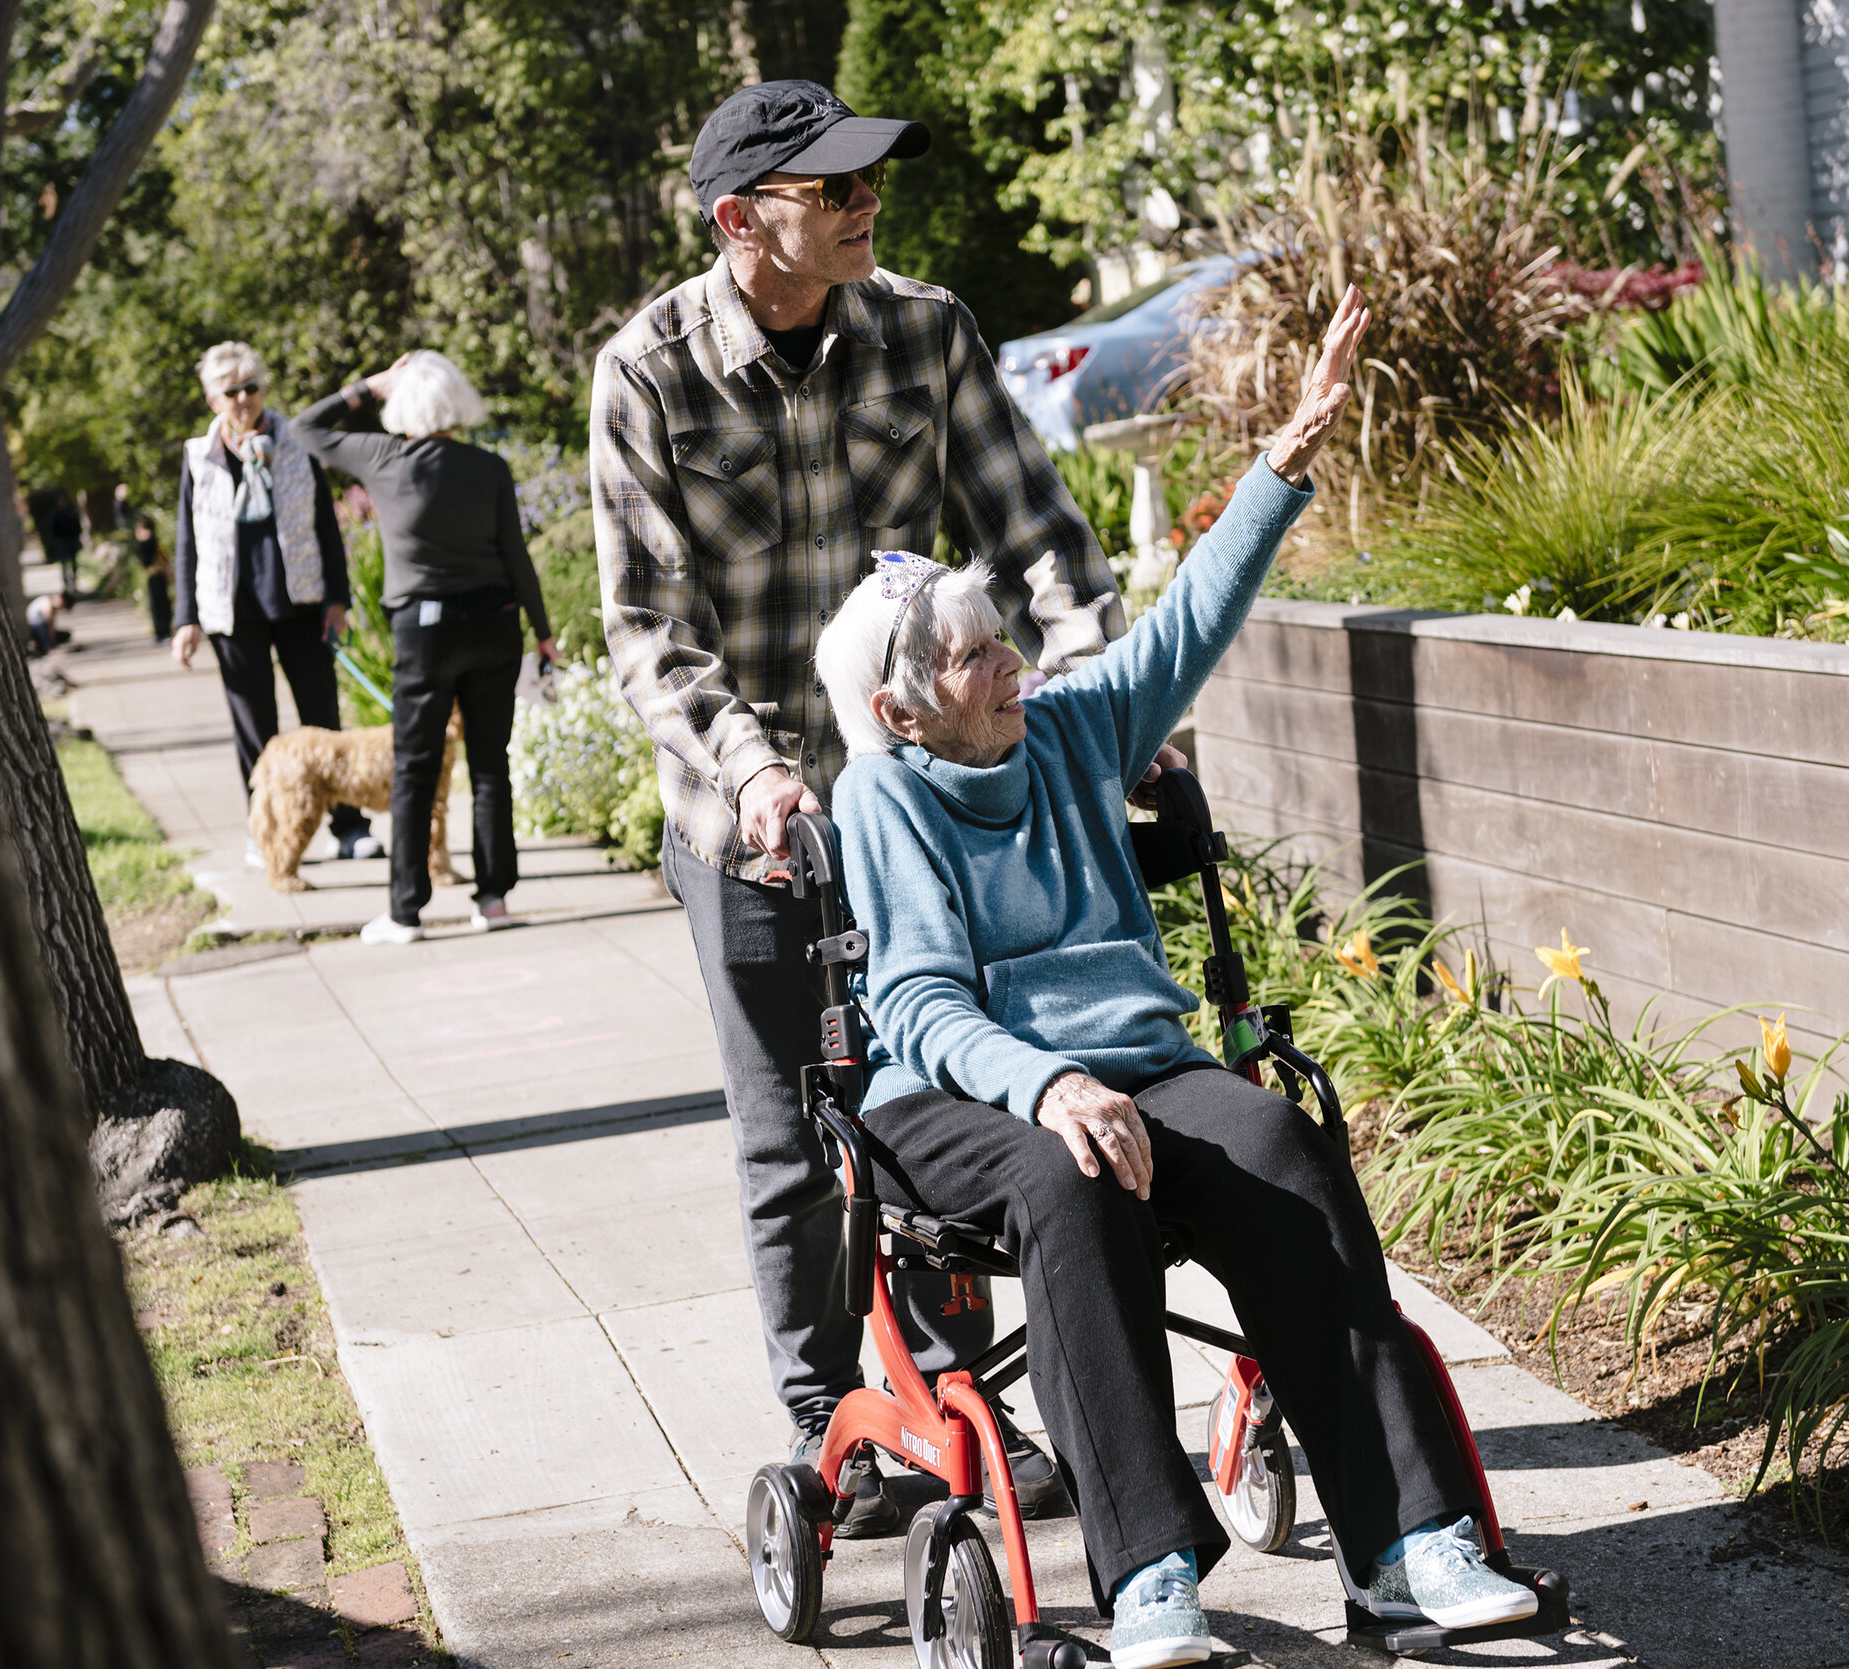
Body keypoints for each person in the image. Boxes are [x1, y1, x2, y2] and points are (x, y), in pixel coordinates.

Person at [811, 291, 1540, 1668]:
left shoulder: (1074, 733)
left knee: (1276, 1139)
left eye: (1001, 636)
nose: (1009, 661)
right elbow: (915, 1004)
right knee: (1066, 1179)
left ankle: (1404, 1548)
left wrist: (1287, 456)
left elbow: (1188, 622)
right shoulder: (884, 797)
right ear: (904, 707)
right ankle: (1149, 1568)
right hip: (958, 1095)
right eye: (973, 655)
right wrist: (1054, 1084)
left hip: (1137, 1065)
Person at [590, 77, 1135, 1535]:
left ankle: (958, 1395)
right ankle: (833, 1416)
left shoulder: (926, 330)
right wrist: (760, 771)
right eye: (829, 189)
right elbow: (650, 630)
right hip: (749, 820)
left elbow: (1042, 537)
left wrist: (1088, 706)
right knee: (796, 1136)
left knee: (938, 1095)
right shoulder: (646, 373)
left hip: (924, 812)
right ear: (739, 219)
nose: (862, 204)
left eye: (865, 181)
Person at [291, 351, 556, 943]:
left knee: (414, 767)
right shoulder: (489, 467)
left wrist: (368, 386)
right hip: (495, 624)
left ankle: (406, 910)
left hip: (424, 630)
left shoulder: (383, 458)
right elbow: (517, 556)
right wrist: (542, 631)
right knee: (491, 764)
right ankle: (493, 900)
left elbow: (303, 428)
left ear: (402, 403)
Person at [171, 341, 380, 869]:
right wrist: (185, 619)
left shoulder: (297, 441)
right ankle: (264, 831)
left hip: (300, 599)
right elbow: (186, 541)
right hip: (230, 608)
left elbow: (327, 527)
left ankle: (349, 826)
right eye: (231, 391)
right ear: (212, 399)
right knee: (253, 730)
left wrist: (337, 599)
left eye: (251, 387)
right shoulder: (200, 457)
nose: (244, 399)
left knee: (322, 719)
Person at [131, 514, 172, 644]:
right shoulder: (152, 542)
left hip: (155, 575)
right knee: (160, 604)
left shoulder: (148, 542)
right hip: (155, 575)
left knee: (159, 605)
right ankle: (163, 631)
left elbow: (157, 559)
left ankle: (162, 632)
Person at [24, 589, 71, 657]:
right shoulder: (47, 602)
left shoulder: (52, 606)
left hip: (41, 627)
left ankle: (43, 646)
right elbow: (48, 623)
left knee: (66, 635)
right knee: (45, 626)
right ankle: (47, 648)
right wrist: (52, 641)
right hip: (36, 627)